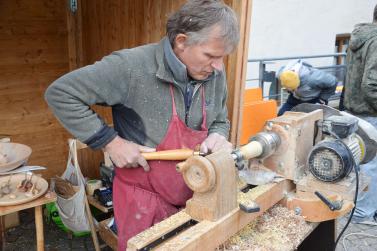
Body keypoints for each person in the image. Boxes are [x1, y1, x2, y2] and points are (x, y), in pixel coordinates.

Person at [45, 0, 239, 249]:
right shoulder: (131, 67)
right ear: (181, 41)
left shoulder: (213, 74)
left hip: (196, 195)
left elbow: (220, 119)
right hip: (143, 200)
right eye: (211, 56)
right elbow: (61, 93)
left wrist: (218, 135)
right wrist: (111, 142)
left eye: (222, 57)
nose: (218, 66)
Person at [343, 4, 377, 223]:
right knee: (371, 165)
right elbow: (371, 83)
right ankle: (362, 212)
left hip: (353, 111)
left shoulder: (360, 37)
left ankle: (354, 208)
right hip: (370, 112)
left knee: (358, 163)